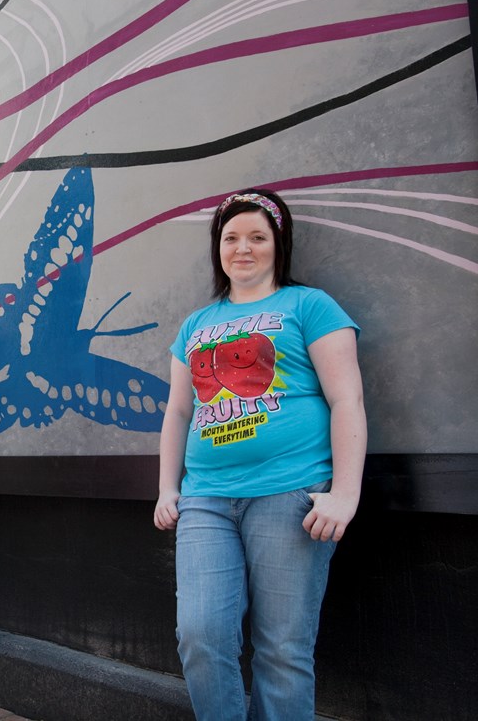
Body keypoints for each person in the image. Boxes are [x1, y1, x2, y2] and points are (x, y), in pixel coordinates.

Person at [153, 189, 366, 720]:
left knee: (283, 651)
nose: (242, 248)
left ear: (278, 244)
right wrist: (167, 488)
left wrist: (344, 494)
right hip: (206, 500)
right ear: (217, 248)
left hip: (291, 497)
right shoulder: (195, 325)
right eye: (230, 238)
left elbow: (348, 400)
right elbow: (178, 413)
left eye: (256, 237)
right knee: (200, 636)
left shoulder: (309, 306)